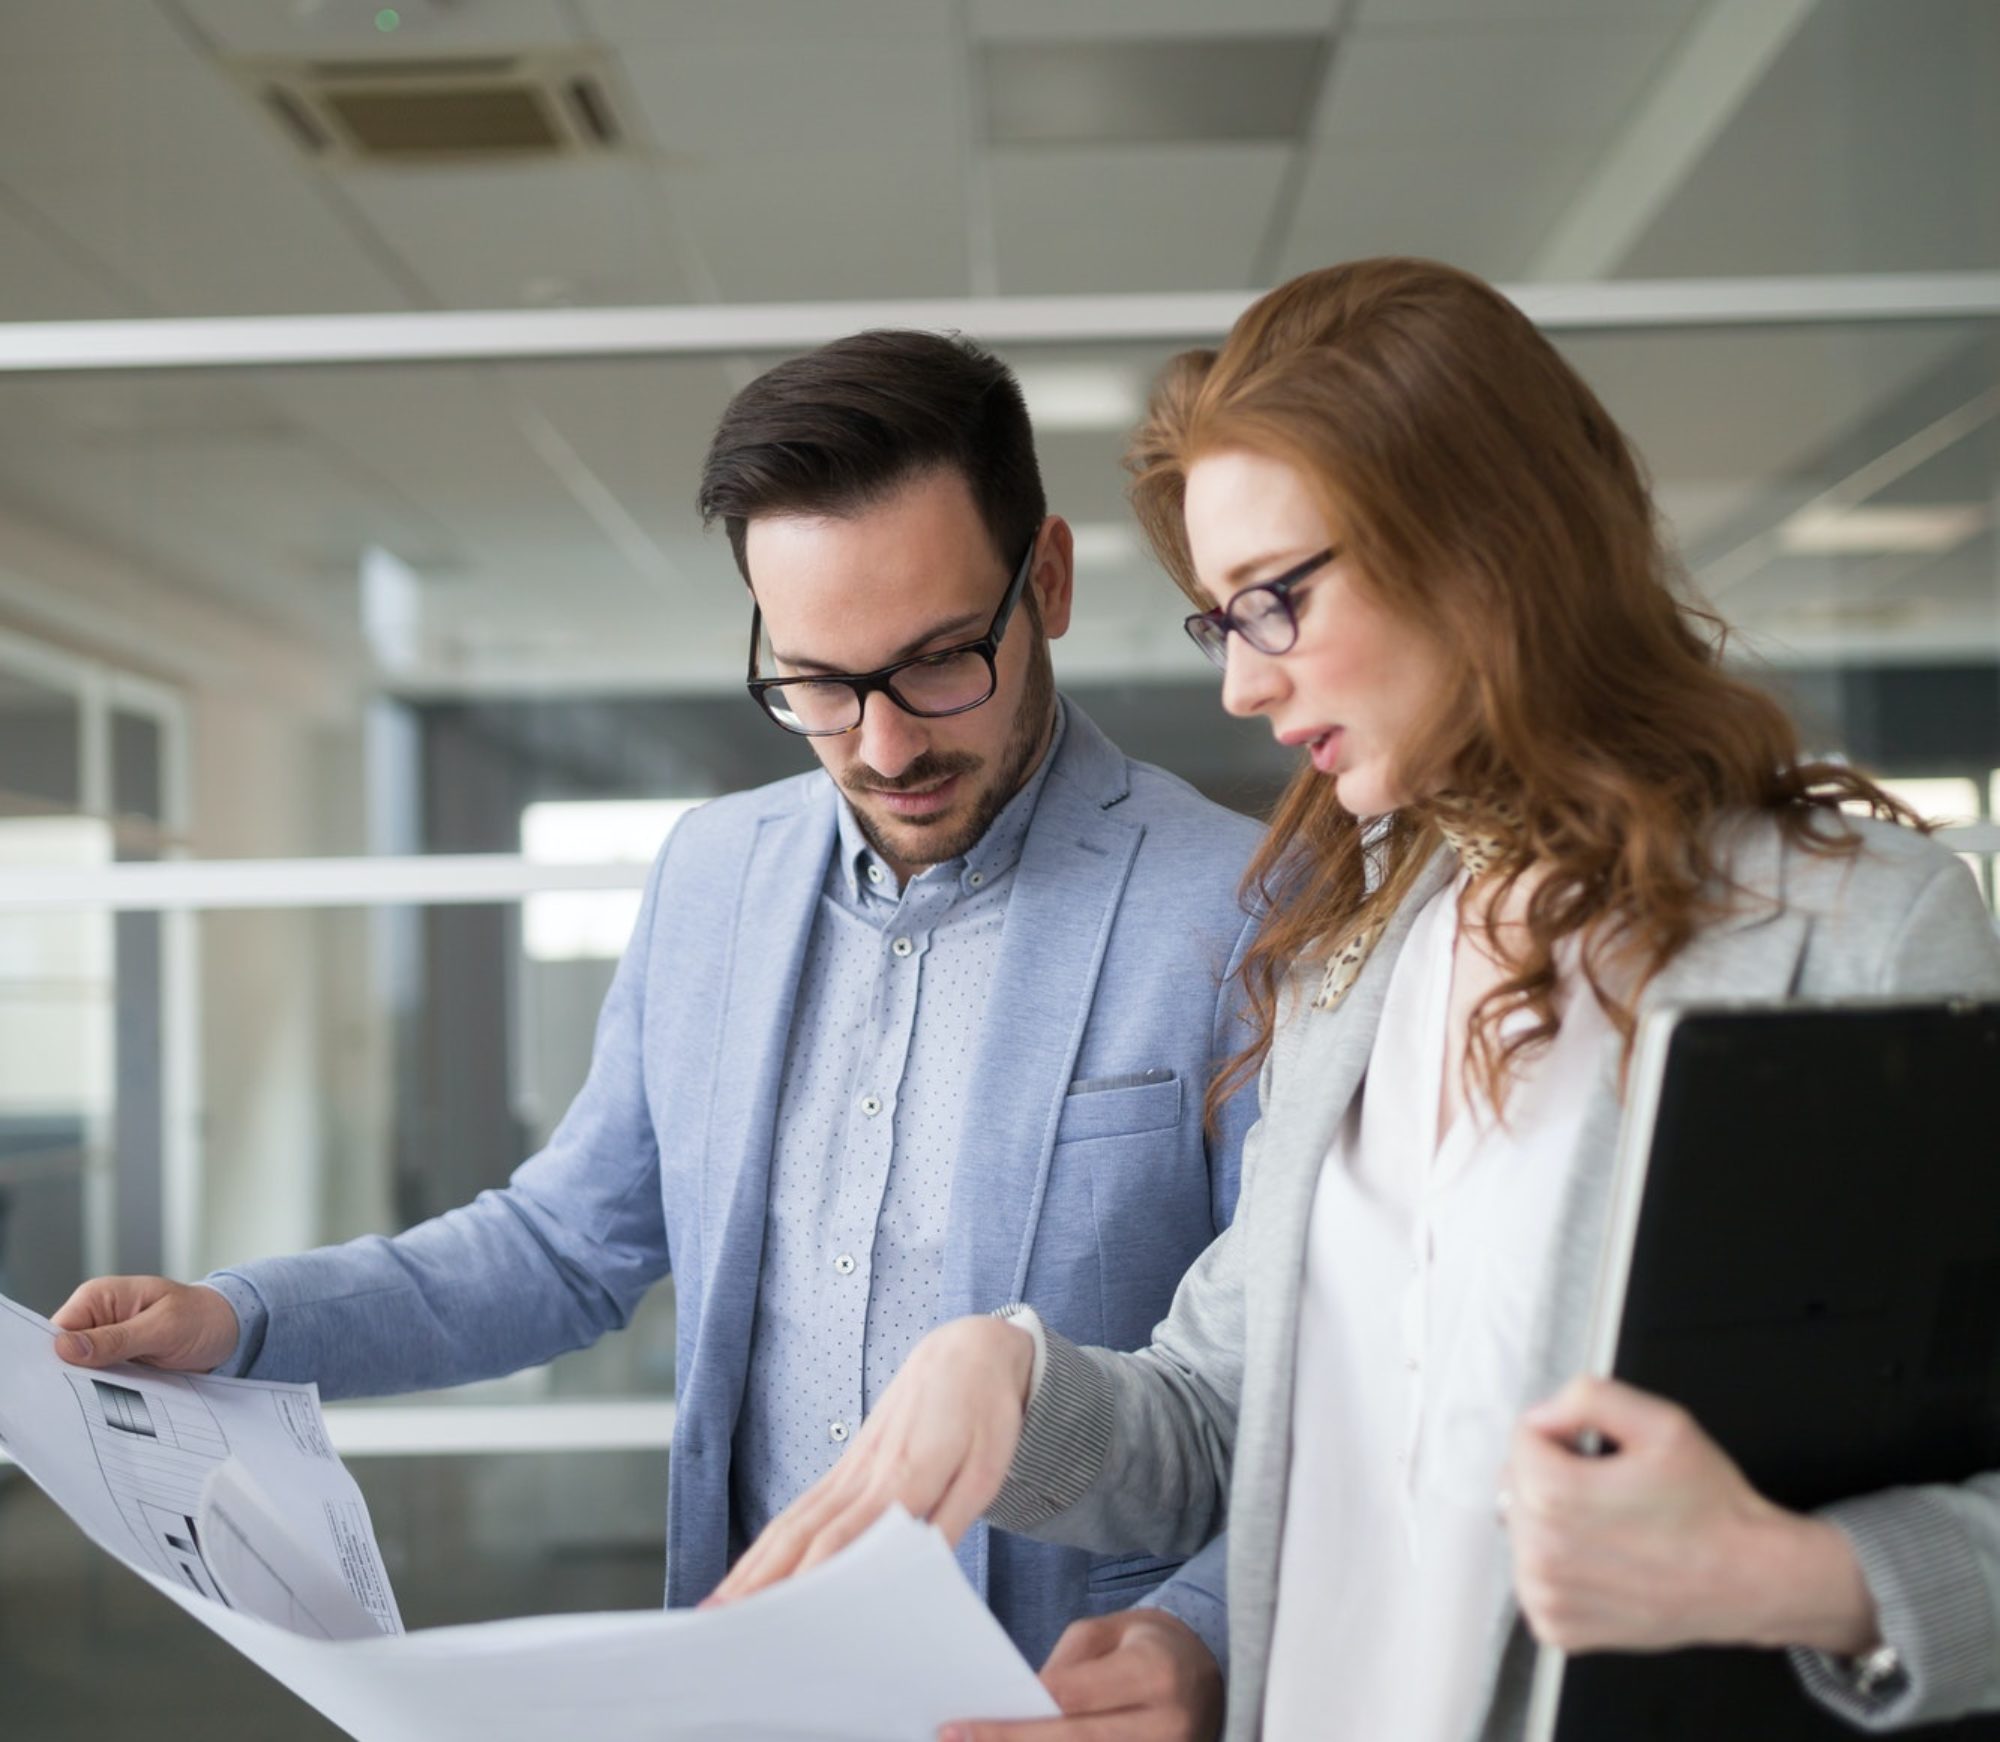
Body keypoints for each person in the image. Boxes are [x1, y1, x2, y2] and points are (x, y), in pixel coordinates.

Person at [713, 261, 2000, 1740]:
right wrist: (1003, 1373)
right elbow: (1218, 1418)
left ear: (1482, 544)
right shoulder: (1358, 956)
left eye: (1275, 602)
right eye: (1222, 622)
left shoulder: (1851, 934)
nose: (1242, 691)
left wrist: (1792, 1573)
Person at [50, 330, 1263, 1739]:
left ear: (1044, 580)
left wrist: (1207, 1629)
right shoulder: (712, 873)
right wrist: (243, 1318)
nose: (879, 747)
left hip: (1058, 1697)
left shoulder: (1240, 905)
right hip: (744, 1686)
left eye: (938, 664)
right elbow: (564, 1243)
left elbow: (1319, 1390)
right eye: (815, 681)